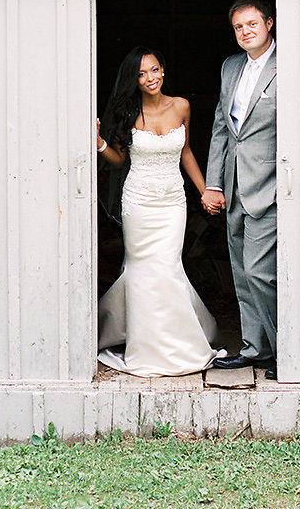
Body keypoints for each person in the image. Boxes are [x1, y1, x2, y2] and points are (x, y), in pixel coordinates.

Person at [95, 46, 225, 377]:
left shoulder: (181, 106)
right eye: (141, 74)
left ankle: (181, 343)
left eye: (154, 70)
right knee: (142, 271)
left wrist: (204, 190)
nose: (149, 78)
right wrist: (98, 142)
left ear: (163, 70)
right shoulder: (128, 114)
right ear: (134, 80)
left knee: (167, 267)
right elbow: (119, 161)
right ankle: (147, 347)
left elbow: (186, 152)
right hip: (138, 201)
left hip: (172, 202)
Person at [202, 0, 278, 380]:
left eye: (252, 24)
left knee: (260, 271)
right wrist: (214, 183)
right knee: (241, 273)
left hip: (269, 188)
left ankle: (284, 352)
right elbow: (221, 127)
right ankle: (254, 348)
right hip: (232, 185)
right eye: (238, 27)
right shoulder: (231, 67)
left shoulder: (287, 66)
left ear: (268, 24)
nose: (245, 32)